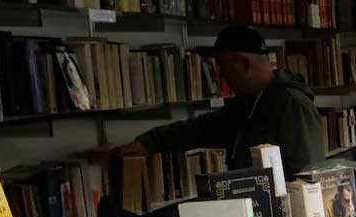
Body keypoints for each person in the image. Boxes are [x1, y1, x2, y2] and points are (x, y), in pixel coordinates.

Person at [120, 26, 325, 175]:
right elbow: (200, 128)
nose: (223, 79)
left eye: (225, 70)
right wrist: (149, 142)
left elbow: (309, 174)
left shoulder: (292, 104)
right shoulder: (247, 104)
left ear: (244, 65)